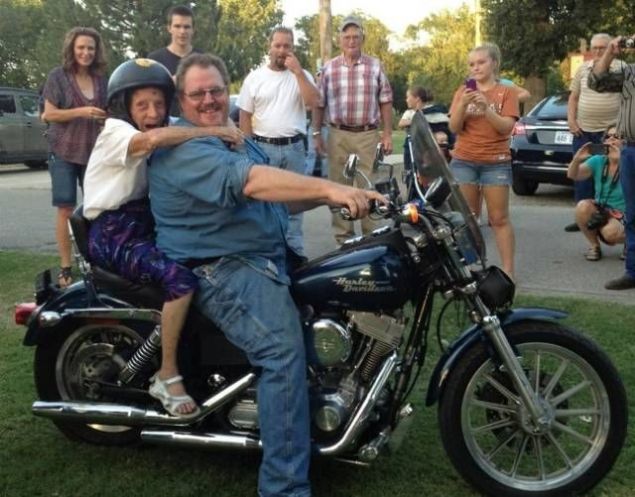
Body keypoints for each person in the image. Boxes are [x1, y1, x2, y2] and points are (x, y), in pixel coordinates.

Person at [147, 52, 385, 497]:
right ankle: (283, 486)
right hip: (217, 265)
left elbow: (276, 196)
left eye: (216, 90)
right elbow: (251, 183)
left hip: (261, 255)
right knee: (282, 351)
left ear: (228, 91)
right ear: (181, 99)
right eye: (198, 94)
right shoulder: (184, 148)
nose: (209, 100)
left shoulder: (232, 138)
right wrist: (329, 186)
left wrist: (334, 196)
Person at [83, 58, 242, 417]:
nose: (153, 112)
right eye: (142, 105)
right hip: (113, 233)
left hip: (144, 223)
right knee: (180, 281)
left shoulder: (164, 124)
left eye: (159, 102)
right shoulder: (115, 131)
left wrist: (225, 125)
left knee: (199, 262)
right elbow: (151, 140)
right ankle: (167, 375)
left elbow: (208, 120)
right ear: (125, 106)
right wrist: (213, 133)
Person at [237, 26, 319, 256]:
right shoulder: (255, 78)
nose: (282, 50)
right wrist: (248, 151)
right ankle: (266, 255)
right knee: (263, 205)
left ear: (293, 48)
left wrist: (298, 72)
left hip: (294, 149)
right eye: (278, 45)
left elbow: (314, 102)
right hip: (263, 148)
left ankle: (295, 255)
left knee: (295, 204)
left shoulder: (301, 75)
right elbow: (244, 116)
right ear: (270, 47)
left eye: (287, 46)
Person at [312, 15, 394, 245]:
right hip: (337, 134)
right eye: (347, 36)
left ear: (362, 39)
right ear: (340, 40)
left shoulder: (375, 66)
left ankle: (372, 240)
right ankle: (344, 241)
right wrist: (316, 133)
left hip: (367, 134)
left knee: (369, 186)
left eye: (355, 36)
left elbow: (386, 100)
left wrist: (387, 134)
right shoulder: (329, 68)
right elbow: (319, 103)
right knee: (339, 188)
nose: (351, 41)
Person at [41, 27, 108, 287]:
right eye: (81, 47)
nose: (86, 52)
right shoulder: (58, 76)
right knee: (66, 209)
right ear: (72, 48)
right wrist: (81, 111)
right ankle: (66, 267)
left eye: (90, 48)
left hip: (93, 153)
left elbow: (107, 111)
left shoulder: (101, 79)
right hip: (63, 151)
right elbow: (49, 114)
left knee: (94, 209)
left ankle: (96, 262)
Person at [448, 42, 519, 278]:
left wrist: (486, 108)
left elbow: (506, 128)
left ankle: (508, 272)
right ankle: (471, 271)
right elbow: (454, 127)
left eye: (481, 62)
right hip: (464, 160)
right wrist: (463, 105)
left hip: (495, 162)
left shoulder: (507, 91)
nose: (475, 68)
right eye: (471, 64)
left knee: (498, 219)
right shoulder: (463, 91)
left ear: (494, 63)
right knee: (466, 220)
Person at [565, 33, 625, 232]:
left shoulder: (622, 68)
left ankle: (614, 217)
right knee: (583, 174)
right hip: (584, 132)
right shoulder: (583, 69)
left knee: (609, 173)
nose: (598, 51)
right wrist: (571, 121)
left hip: (609, 134)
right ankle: (583, 218)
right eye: (595, 48)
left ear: (611, 48)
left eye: (602, 47)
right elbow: (573, 97)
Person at [589, 34, 635, 290]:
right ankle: (633, 272)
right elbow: (596, 81)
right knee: (633, 214)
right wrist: (610, 51)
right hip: (630, 149)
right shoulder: (629, 73)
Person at [566, 126, 625, 261]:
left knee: (610, 233)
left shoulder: (630, 161)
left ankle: (630, 243)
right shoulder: (599, 160)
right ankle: (594, 246)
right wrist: (577, 159)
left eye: (617, 137)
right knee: (582, 206)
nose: (611, 140)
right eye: (608, 136)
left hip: (626, 213)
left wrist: (622, 160)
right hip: (604, 209)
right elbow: (573, 175)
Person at [147, 5, 200, 115]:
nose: (182, 31)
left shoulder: (203, 59)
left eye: (187, 27)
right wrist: (170, 83)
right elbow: (148, 94)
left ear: (193, 30)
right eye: (177, 26)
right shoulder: (154, 60)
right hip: (164, 119)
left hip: (197, 119)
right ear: (169, 28)